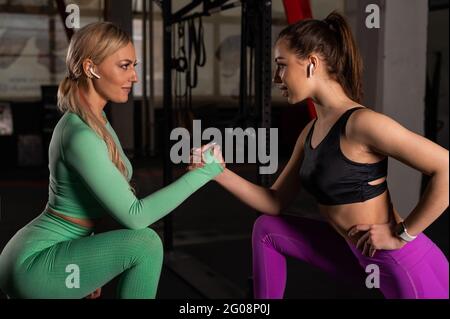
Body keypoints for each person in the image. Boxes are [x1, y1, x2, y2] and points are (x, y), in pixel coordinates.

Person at [190, 11, 449, 299]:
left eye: (281, 66)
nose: (277, 78)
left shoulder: (362, 123)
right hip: (360, 258)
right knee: (267, 229)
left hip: (404, 267)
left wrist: (401, 234)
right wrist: (217, 172)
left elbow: (446, 168)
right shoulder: (311, 131)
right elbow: (274, 202)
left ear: (311, 64)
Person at [0, 22, 223, 299]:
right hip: (33, 263)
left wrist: (90, 264)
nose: (135, 76)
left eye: (135, 65)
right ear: (91, 68)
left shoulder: (97, 119)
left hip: (57, 253)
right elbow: (135, 216)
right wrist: (204, 172)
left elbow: (91, 202)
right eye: (125, 65)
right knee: (146, 243)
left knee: (143, 243)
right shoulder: (80, 134)